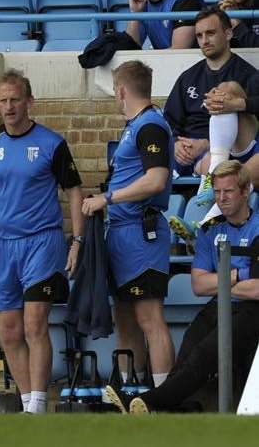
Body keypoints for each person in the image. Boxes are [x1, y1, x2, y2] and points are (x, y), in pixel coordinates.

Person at [0, 69, 85, 414]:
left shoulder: (51, 143)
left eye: (16, 100)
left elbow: (74, 191)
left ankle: (39, 404)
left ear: (29, 102)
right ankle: (28, 402)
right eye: (4, 100)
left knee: (33, 323)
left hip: (43, 242)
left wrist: (78, 239)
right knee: (9, 331)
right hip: (6, 245)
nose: (10, 107)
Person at [106, 160, 259, 414]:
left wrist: (220, 281)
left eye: (229, 191)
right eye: (218, 192)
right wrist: (239, 275)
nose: (221, 198)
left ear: (245, 192)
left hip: (252, 311)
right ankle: (179, 410)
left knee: (205, 353)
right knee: (187, 353)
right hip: (220, 305)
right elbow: (198, 284)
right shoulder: (211, 229)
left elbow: (256, 291)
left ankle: (150, 401)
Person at [83, 60, 175, 391]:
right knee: (125, 317)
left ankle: (164, 397)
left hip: (141, 232)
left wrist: (108, 198)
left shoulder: (149, 125)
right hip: (121, 233)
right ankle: (130, 392)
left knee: (150, 317)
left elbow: (156, 179)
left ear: (121, 91)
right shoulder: (135, 125)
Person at [164, 7, 259, 178]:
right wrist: (176, 143)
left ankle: (209, 181)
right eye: (199, 36)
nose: (204, 40)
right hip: (186, 152)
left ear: (228, 34)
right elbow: (169, 121)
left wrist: (206, 144)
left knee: (226, 90)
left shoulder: (247, 75)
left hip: (231, 152)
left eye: (210, 33)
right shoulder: (188, 77)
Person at [170, 81, 259, 239]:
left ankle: (203, 226)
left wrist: (235, 104)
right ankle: (213, 173)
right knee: (227, 89)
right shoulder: (189, 76)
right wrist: (229, 103)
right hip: (246, 139)